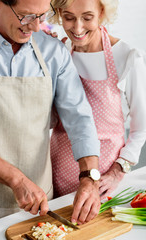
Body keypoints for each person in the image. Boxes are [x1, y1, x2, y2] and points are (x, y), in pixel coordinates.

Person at [0, 0, 101, 224]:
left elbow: (80, 119)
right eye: (26, 16)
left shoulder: (53, 52)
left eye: (42, 15)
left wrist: (89, 178)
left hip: (40, 205)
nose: (37, 27)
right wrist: (17, 181)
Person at [50, 0, 146, 199]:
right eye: (68, 17)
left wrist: (116, 172)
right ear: (59, 14)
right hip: (56, 171)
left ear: (102, 13)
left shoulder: (127, 57)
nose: (77, 28)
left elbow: (141, 129)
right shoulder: (60, 51)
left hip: (103, 180)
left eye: (87, 17)